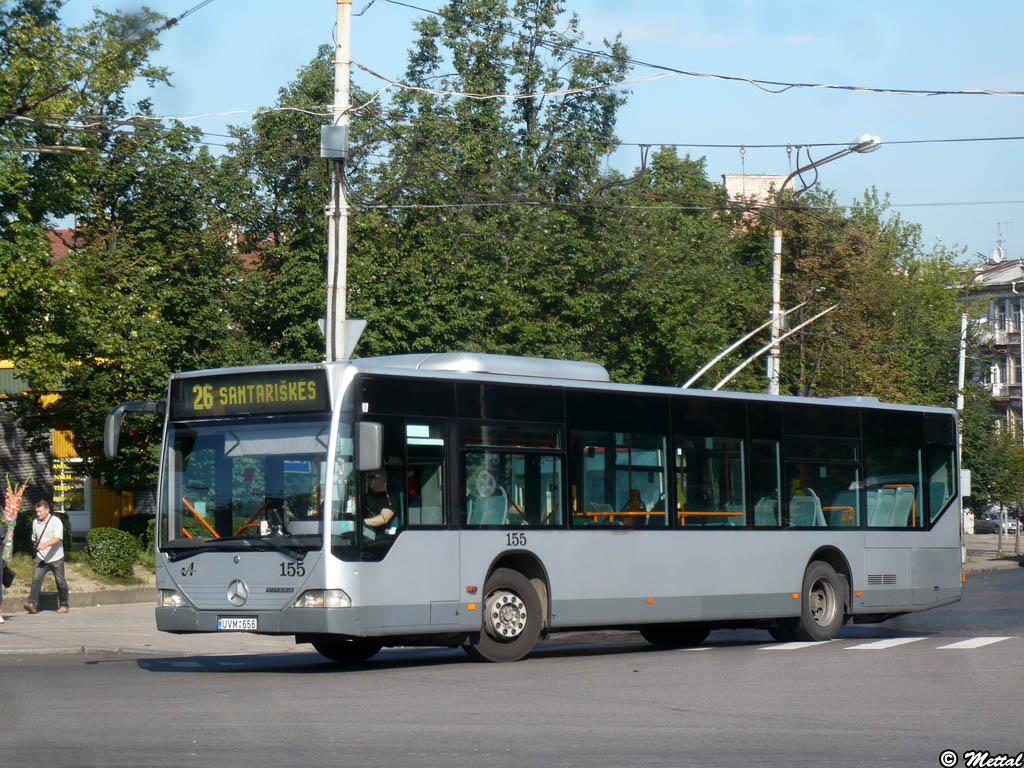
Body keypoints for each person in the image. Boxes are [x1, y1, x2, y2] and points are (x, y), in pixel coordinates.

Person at [23, 500, 70, 614]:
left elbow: (58, 538)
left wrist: (45, 544)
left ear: (47, 510)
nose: (38, 514)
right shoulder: (35, 522)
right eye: (37, 512)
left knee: (60, 581)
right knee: (36, 579)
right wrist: (37, 545)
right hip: (41, 557)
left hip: (56, 556)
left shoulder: (55, 521)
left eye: (40, 512)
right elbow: (34, 538)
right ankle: (32, 604)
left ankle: (64, 605)